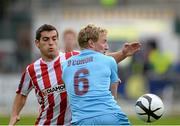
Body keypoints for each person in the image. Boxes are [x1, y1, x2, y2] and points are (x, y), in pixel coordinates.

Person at [9, 24, 140, 125]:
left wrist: (122, 53)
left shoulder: (71, 58)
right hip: (47, 122)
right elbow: (22, 93)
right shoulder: (31, 70)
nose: (50, 43)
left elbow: (99, 61)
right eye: (46, 39)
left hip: (74, 122)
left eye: (54, 39)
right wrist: (15, 114)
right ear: (37, 43)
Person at [62, 24, 131, 125]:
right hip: (109, 117)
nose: (107, 47)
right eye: (104, 42)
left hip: (81, 121)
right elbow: (113, 95)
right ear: (91, 43)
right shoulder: (109, 61)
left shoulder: (65, 65)